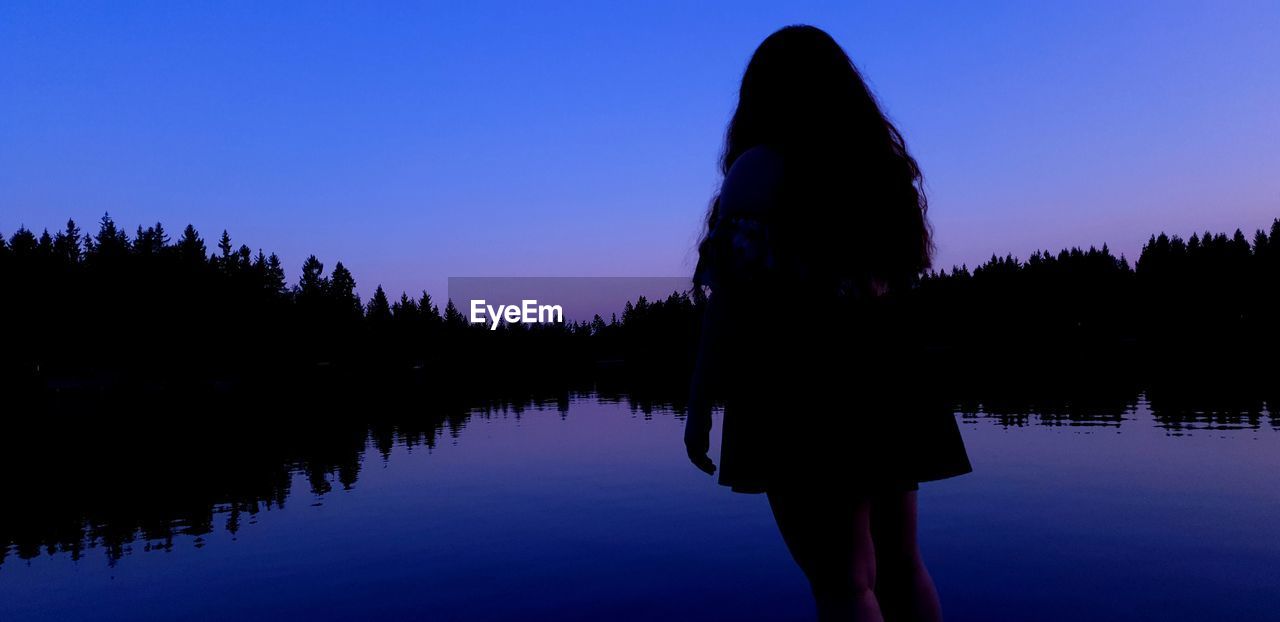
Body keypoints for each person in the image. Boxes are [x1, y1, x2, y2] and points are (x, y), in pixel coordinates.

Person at [684, 25, 972, 622]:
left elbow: (730, 299)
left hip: (801, 383)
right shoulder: (875, 173)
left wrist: (699, 403)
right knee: (901, 565)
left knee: (843, 580)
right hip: (892, 371)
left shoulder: (758, 168)